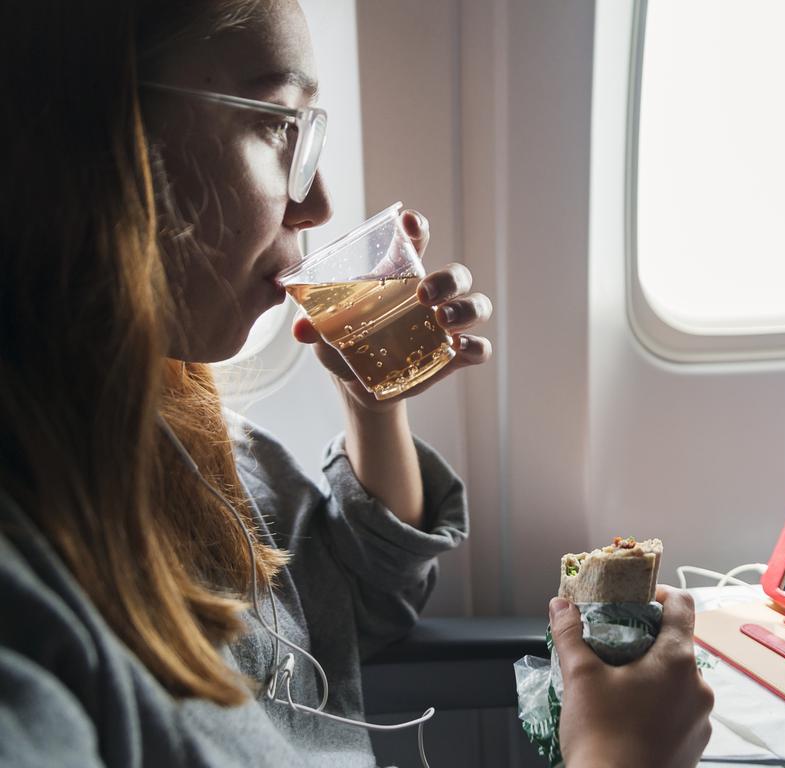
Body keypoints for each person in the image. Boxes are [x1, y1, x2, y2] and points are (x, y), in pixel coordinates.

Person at [0, 1, 712, 766]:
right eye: (279, 123)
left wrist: (376, 410)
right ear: (90, 130)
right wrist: (618, 750)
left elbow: (362, 602)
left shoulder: (189, 431)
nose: (318, 204)